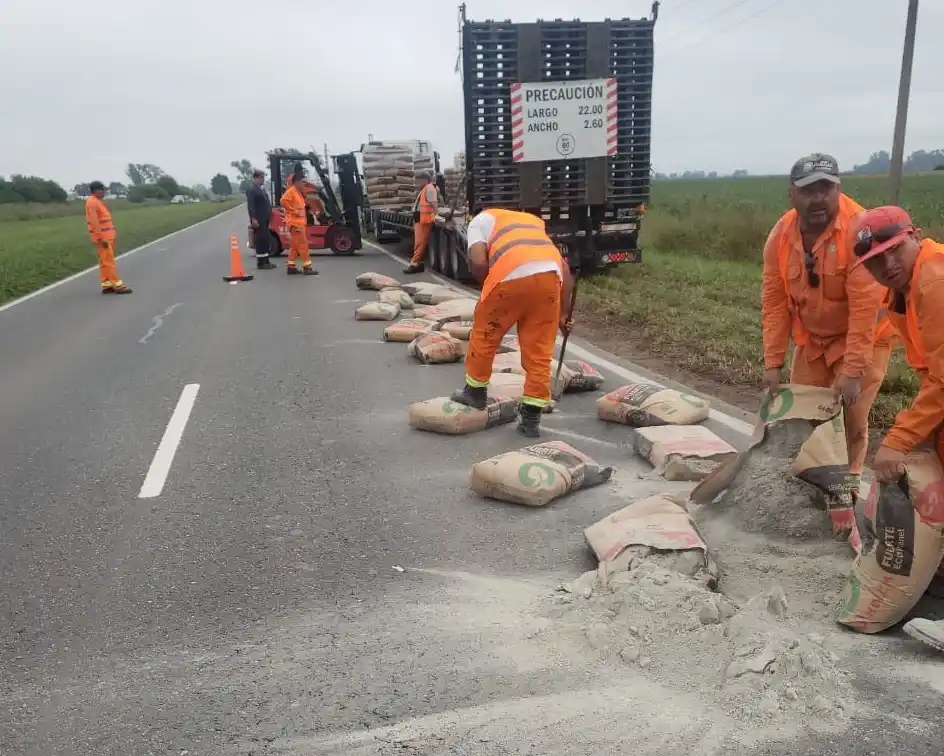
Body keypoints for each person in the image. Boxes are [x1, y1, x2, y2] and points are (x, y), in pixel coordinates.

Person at [761, 153, 890, 481]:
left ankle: (848, 486)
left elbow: (866, 309)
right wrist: (772, 364)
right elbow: (775, 303)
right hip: (813, 340)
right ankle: (811, 481)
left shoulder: (859, 231)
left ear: (838, 188)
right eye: (808, 191)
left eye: (826, 188)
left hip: (861, 340)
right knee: (802, 416)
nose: (818, 199)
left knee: (850, 419)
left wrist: (853, 370)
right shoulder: (780, 237)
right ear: (792, 195)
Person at [850, 205, 944, 651]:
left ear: (915, 235)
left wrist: (900, 438)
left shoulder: (934, 282)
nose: (886, 264)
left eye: (894, 250)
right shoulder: (902, 293)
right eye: (874, 260)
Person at [448, 207, 575, 437]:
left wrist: (489, 289)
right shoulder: (532, 222)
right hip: (549, 279)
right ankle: (531, 418)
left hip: (508, 276)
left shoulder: (479, 221)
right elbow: (565, 270)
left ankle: (475, 393)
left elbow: (477, 262)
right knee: (539, 350)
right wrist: (564, 315)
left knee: (485, 334)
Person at [85, 181, 132, 294]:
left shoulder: (97, 202)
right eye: (102, 190)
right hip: (103, 238)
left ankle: (107, 284)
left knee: (104, 262)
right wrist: (101, 239)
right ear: (96, 191)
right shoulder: (92, 203)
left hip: (107, 236)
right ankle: (118, 286)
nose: (104, 192)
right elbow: (94, 222)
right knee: (109, 262)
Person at [280, 175, 317, 276]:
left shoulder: (297, 192)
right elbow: (283, 201)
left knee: (295, 246)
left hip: (298, 223)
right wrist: (294, 211)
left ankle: (291, 267)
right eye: (302, 182)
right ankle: (307, 267)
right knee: (303, 245)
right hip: (295, 223)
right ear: (296, 182)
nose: (303, 184)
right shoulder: (291, 191)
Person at [402, 172, 439, 275]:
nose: (417, 182)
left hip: (424, 220)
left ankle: (414, 264)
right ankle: (418, 264)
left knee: (420, 243)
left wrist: (436, 215)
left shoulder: (429, 188)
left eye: (419, 180)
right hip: (420, 219)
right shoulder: (425, 189)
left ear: (425, 179)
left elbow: (434, 203)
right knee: (419, 243)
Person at [246, 169, 276, 270]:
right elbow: (251, 206)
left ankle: (266, 260)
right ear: (255, 178)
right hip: (258, 219)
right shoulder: (252, 190)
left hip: (265, 218)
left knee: (266, 239)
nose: (263, 180)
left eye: (263, 177)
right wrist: (253, 219)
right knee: (260, 240)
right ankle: (261, 262)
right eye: (261, 178)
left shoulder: (261, 189)